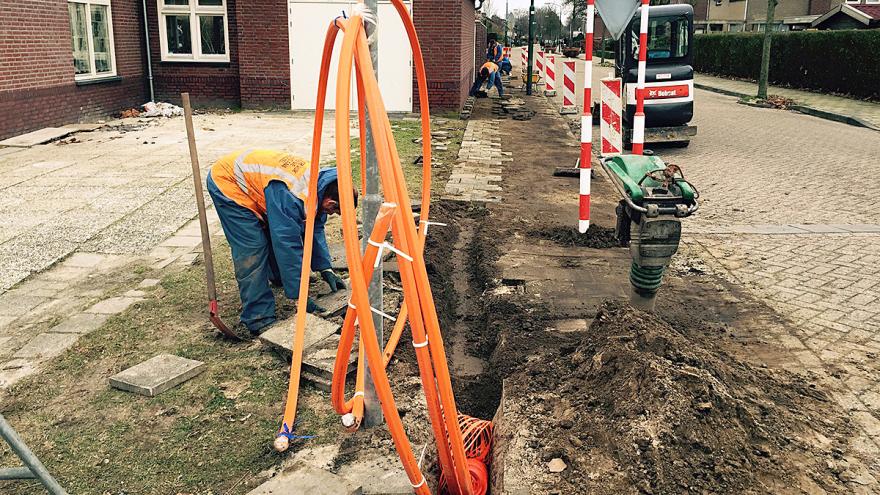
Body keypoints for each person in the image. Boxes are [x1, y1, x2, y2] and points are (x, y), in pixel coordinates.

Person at [206, 149, 356, 335]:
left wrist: (325, 268)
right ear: (331, 202)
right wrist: (299, 295)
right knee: (253, 247)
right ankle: (258, 317)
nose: (331, 214)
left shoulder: (321, 186)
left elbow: (314, 229)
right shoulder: (293, 193)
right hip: (229, 183)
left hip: (261, 184)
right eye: (333, 211)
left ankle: (278, 277)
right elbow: (287, 244)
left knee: (275, 229)